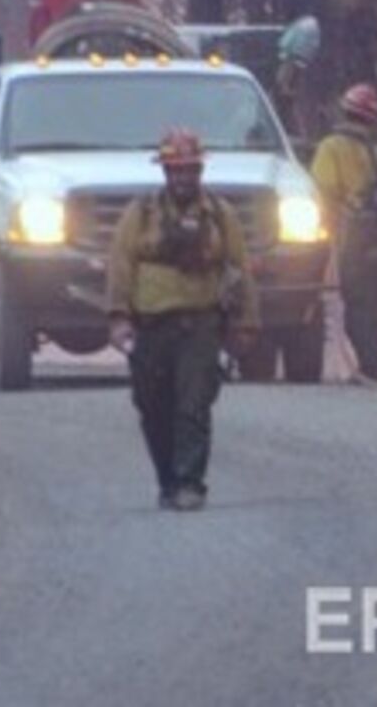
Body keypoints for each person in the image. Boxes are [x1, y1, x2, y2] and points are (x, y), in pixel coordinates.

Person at [107, 127, 257, 512]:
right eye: (176, 170)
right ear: (165, 173)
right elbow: (120, 265)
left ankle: (191, 483)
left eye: (190, 169)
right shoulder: (140, 215)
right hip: (150, 327)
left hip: (200, 325)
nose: (184, 178)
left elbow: (240, 268)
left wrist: (244, 323)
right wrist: (119, 317)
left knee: (193, 406)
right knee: (152, 406)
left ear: (200, 171)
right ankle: (168, 482)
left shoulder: (220, 216)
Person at [310, 83, 377, 384]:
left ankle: (371, 371)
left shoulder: (331, 148)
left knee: (361, 307)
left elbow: (322, 193)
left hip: (356, 241)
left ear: (346, 111)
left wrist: (327, 235)